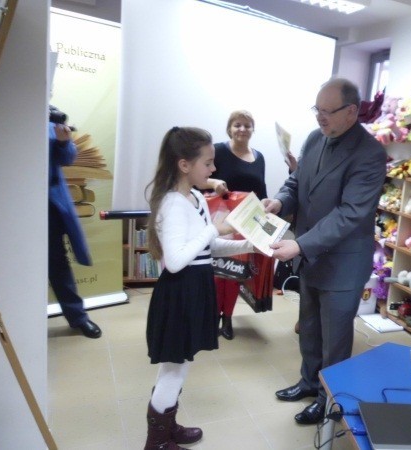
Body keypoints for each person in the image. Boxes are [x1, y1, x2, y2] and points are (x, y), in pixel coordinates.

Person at [264, 78, 386, 425]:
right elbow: (296, 182)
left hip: (342, 263)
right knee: (310, 326)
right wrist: (279, 201)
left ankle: (328, 399)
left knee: (335, 339)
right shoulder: (316, 138)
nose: (320, 118)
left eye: (327, 112)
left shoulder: (370, 153)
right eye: (316, 110)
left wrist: (300, 244)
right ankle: (307, 381)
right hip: (311, 255)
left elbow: (350, 213)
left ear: (351, 112)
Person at [143, 126, 254, 450]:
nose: (214, 169)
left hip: (195, 288)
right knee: (173, 370)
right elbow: (176, 260)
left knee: (180, 366)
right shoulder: (172, 204)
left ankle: (168, 426)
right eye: (208, 162)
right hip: (180, 292)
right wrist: (211, 231)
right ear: (184, 165)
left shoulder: (194, 197)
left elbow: (209, 247)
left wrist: (251, 244)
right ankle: (157, 441)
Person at [200, 110, 267, 340]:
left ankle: (227, 318)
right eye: (237, 125)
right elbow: (198, 179)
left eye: (247, 125)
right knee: (216, 273)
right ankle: (210, 318)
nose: (242, 129)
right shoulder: (217, 151)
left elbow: (262, 193)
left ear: (253, 130)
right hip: (218, 221)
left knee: (235, 273)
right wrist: (213, 182)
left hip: (244, 222)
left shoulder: (259, 157)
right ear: (229, 128)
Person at [48, 118, 102, 339]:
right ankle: (15, 319)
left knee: (58, 264)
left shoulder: (51, 123)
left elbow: (68, 157)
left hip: (49, 207)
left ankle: (78, 318)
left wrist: (62, 142)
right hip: (10, 207)